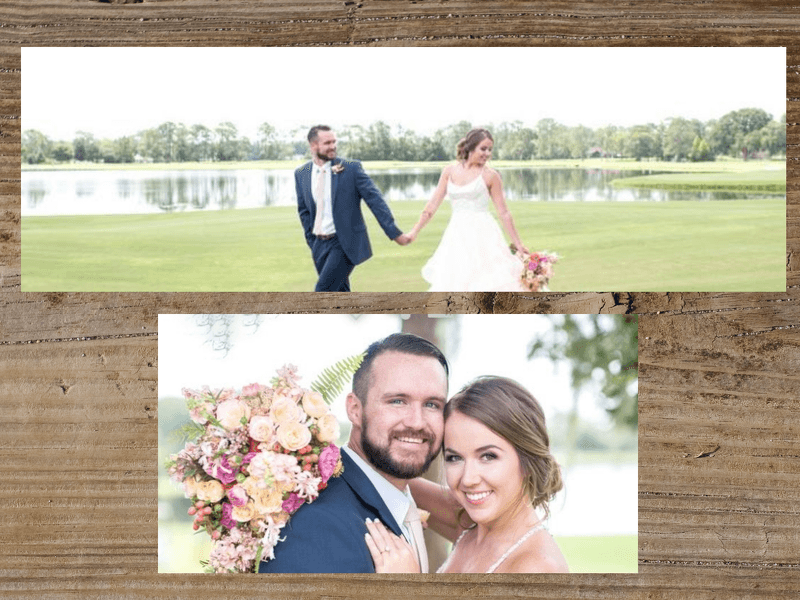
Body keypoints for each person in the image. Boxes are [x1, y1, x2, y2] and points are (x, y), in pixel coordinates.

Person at [259, 333, 448, 573]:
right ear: (355, 410)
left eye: (432, 404)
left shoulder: (397, 501)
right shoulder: (316, 525)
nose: (417, 422)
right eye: (398, 401)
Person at [364, 376, 569, 573]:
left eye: (488, 456)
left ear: (527, 460)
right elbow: (397, 482)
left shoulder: (536, 568)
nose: (468, 479)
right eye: (455, 458)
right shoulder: (470, 525)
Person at [405, 128, 531, 292]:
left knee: (490, 283)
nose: (487, 154)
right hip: (456, 234)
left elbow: (504, 213)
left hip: (485, 235)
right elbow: (432, 205)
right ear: (471, 147)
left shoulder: (491, 176)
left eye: (490, 150)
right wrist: (414, 231)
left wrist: (518, 244)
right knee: (455, 283)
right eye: (483, 148)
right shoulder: (449, 172)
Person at [296, 125, 412, 292]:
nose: (333, 146)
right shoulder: (301, 173)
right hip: (319, 246)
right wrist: (312, 241)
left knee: (322, 292)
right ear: (313, 145)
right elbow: (304, 211)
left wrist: (394, 233)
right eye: (327, 142)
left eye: (334, 141)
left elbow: (376, 201)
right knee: (340, 296)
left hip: (344, 243)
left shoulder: (351, 169)